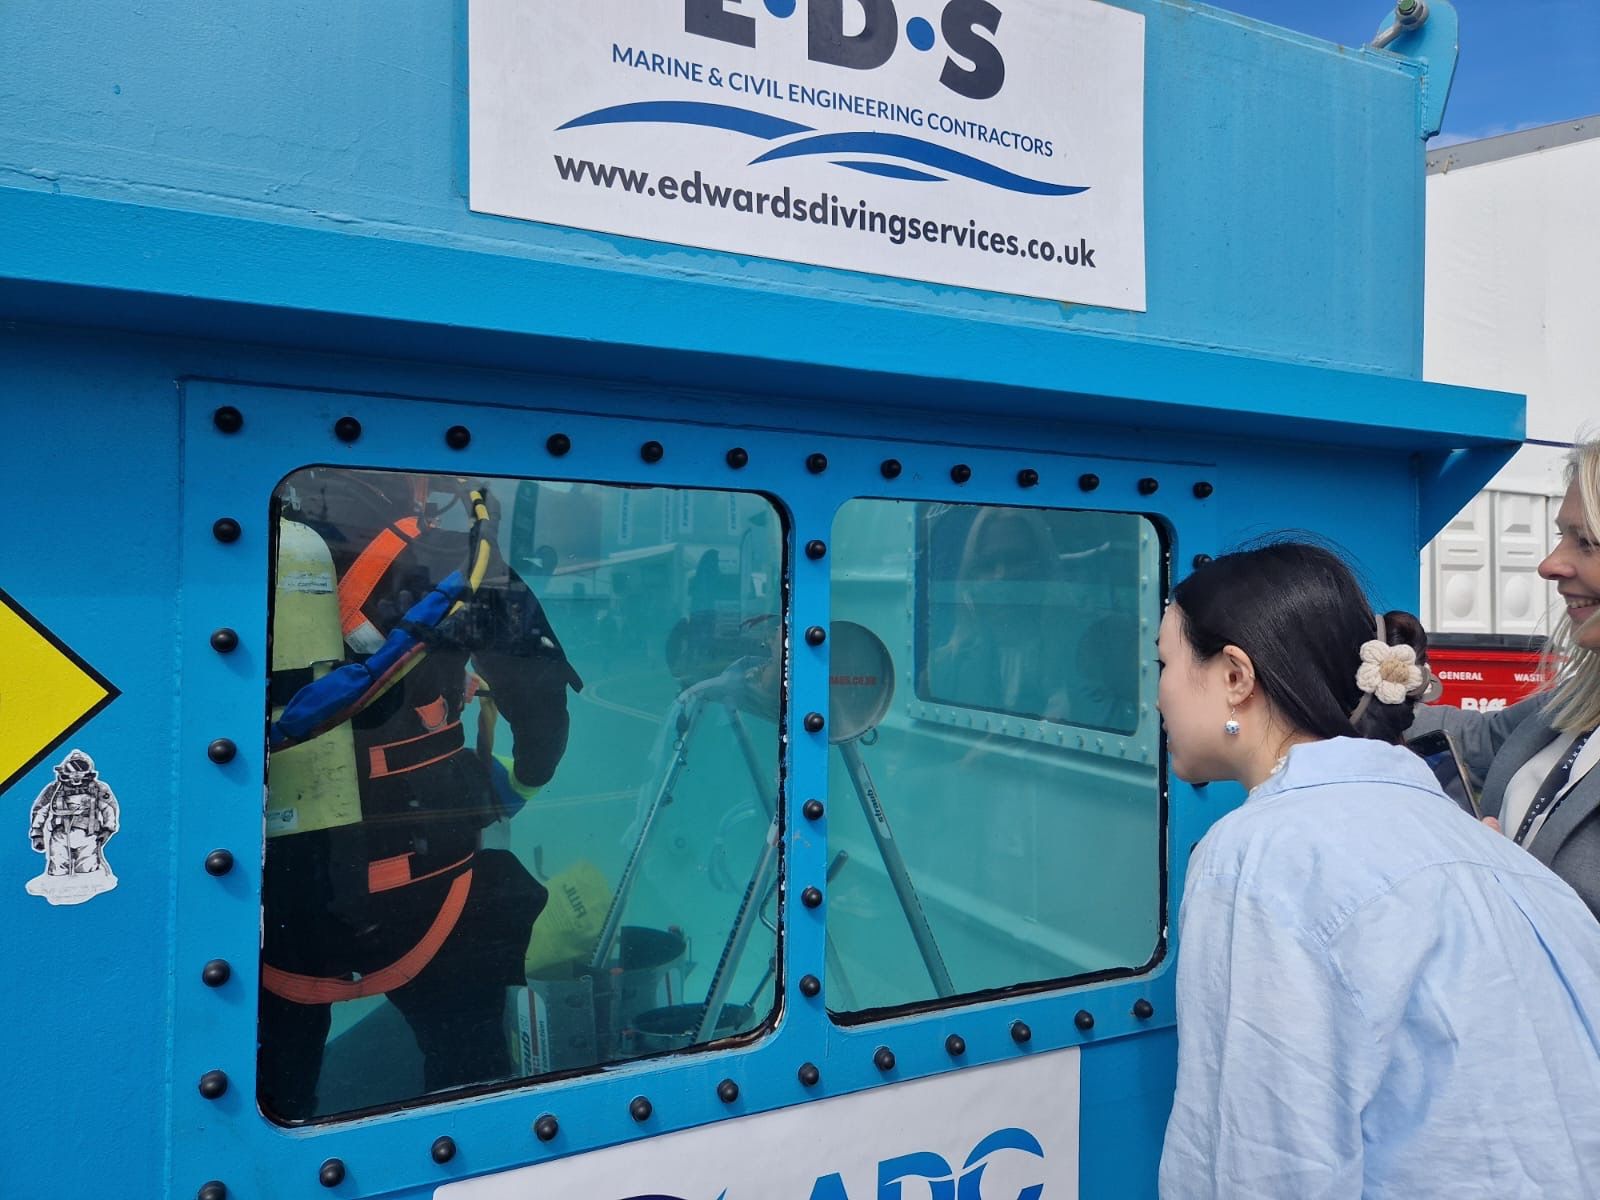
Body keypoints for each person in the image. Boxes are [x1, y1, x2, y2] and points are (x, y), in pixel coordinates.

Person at [1156, 541, 1600, 1198]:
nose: (1157, 694)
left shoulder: (1260, 856)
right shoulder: (1499, 858)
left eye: (1164, 663)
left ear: (1235, 677)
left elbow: (1262, 1165)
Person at [258, 468, 582, 1121]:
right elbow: (542, 710)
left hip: (278, 903)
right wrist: (518, 782)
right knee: (471, 1075)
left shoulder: (245, 551)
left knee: (273, 1092)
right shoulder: (457, 560)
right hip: (432, 888)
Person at [1409, 438, 1600, 919]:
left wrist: (1505, 886)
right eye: (1561, 537)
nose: (1549, 564)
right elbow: (1470, 739)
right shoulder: (1573, 706)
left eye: (1587, 543)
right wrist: (1340, 672)